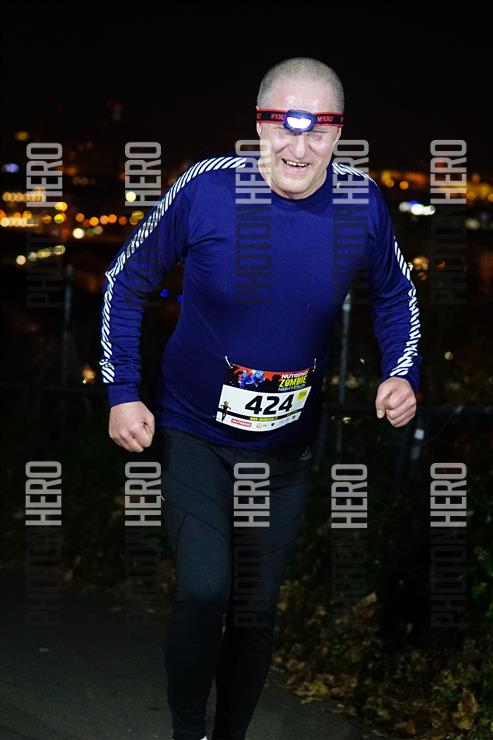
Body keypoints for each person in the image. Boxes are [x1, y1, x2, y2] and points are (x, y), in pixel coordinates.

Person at [99, 57, 421, 740]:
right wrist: (122, 390)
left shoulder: (361, 202)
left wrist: (403, 373)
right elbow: (125, 280)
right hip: (193, 431)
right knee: (203, 588)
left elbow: (396, 297)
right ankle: (188, 730)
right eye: (284, 126)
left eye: (318, 129)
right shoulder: (208, 188)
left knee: (253, 610)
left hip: (284, 450)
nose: (299, 147)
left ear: (339, 133)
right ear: (258, 124)